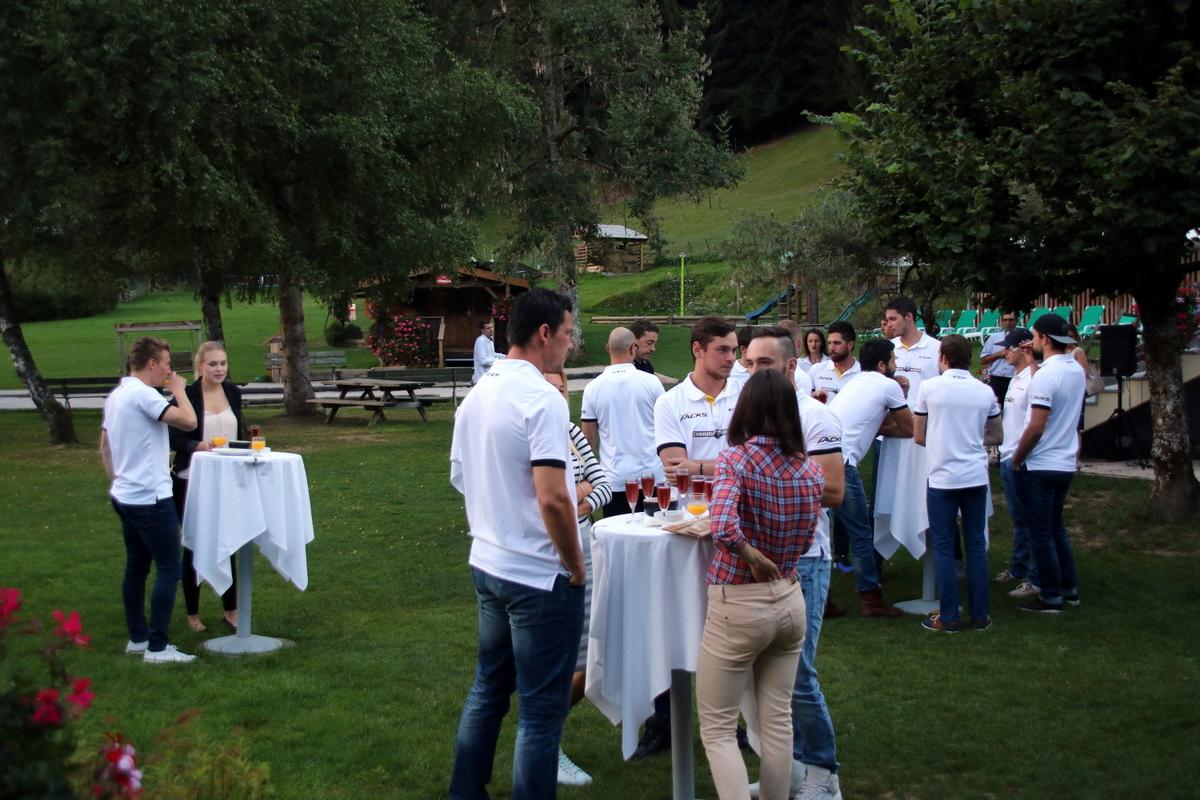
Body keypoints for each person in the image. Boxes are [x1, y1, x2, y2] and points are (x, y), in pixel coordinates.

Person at [449, 288, 585, 800]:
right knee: (541, 710)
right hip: (537, 574)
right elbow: (554, 499)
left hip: (488, 561)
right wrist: (575, 567)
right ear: (544, 333)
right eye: (568, 333)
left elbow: (463, 477)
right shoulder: (541, 399)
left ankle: (465, 791)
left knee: (488, 688)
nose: (571, 345)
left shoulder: (478, 394)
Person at [697, 369, 827, 800]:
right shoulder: (809, 471)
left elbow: (723, 528)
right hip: (790, 601)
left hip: (739, 602)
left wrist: (753, 557)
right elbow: (808, 535)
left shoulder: (736, 459)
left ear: (746, 409)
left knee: (716, 727)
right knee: (777, 721)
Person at [741, 329, 847, 800]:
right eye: (748, 364)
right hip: (757, 561)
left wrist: (777, 483)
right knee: (763, 677)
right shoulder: (749, 416)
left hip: (804, 560)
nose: (752, 372)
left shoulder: (817, 417)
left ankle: (824, 772)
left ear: (790, 367)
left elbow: (836, 491)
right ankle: (788, 771)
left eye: (763, 364)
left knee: (799, 675)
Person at [639, 315, 740, 758]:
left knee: (734, 628)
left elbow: (757, 459)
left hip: (737, 524)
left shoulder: (746, 394)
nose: (731, 359)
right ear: (698, 349)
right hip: (687, 526)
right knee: (671, 623)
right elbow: (674, 467)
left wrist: (702, 466)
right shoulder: (671, 402)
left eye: (735, 351)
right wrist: (730, 465)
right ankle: (664, 721)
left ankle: (734, 723)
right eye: (723, 350)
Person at [100, 336, 198, 664]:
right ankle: (158, 647)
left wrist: (117, 479)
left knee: (136, 567)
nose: (169, 371)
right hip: (150, 498)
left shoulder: (117, 396)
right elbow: (189, 422)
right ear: (152, 363)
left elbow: (104, 446)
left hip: (125, 495)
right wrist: (181, 390)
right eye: (167, 365)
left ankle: (137, 638)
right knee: (169, 569)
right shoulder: (143, 395)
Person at [544, 370, 611, 787]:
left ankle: (544, 737)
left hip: (584, 548)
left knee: (589, 661)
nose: (557, 394)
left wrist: (580, 498)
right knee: (552, 659)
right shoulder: (532, 432)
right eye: (549, 388)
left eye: (562, 388)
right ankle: (546, 746)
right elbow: (543, 499)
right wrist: (575, 494)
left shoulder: (571, 432)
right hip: (544, 558)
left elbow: (602, 483)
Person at [912, 335, 1003, 633]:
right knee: (976, 545)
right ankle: (980, 616)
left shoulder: (929, 388)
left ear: (943, 357)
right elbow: (997, 436)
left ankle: (949, 617)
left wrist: (942, 440)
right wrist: (973, 440)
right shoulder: (984, 391)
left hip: (942, 476)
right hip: (975, 475)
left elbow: (919, 435)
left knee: (944, 545)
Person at [828, 339, 913, 618]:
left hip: (820, 458)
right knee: (862, 533)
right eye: (892, 360)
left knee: (819, 532)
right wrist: (904, 393)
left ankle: (820, 596)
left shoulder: (855, 383)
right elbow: (910, 429)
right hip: (843, 464)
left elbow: (881, 425)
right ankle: (870, 599)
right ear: (881, 365)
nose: (896, 366)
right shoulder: (887, 385)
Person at [1010, 314, 1085, 614]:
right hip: (1064, 461)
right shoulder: (1075, 369)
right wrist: (1032, 360)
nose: (1031, 340)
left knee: (1040, 531)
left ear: (1045, 339)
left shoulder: (1046, 375)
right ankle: (1069, 589)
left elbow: (1036, 426)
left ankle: (1050, 595)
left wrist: (1018, 457)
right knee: (1056, 528)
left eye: (1034, 336)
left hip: (1041, 463)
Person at [169, 341, 242, 633]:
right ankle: (192, 613)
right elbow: (173, 438)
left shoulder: (234, 392)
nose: (219, 369)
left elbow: (239, 429)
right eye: (213, 364)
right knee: (193, 545)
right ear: (200, 366)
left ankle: (231, 609)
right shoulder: (187, 395)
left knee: (230, 542)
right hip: (192, 479)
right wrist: (197, 445)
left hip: (228, 479)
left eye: (223, 363)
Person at [873, 296, 943, 570]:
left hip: (925, 437)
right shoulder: (889, 351)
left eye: (893, 319)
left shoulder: (936, 349)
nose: (888, 324)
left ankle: (946, 556)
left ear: (909, 317)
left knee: (930, 497)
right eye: (887, 319)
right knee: (886, 494)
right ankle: (878, 557)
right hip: (891, 435)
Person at [580, 327, 664, 517]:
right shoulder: (652, 382)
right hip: (653, 476)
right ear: (633, 348)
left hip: (614, 480)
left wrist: (589, 479)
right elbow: (666, 427)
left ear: (607, 349)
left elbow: (588, 438)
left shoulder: (592, 388)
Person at [993, 327, 1041, 599]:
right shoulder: (1015, 377)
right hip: (1007, 453)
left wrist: (1032, 358)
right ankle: (1019, 566)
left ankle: (1033, 574)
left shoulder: (1033, 377)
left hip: (1020, 458)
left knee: (1029, 518)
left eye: (1008, 348)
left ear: (1021, 349)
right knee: (1018, 518)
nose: (1003, 353)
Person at [809, 321, 860, 403]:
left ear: (850, 344)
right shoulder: (816, 369)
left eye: (837, 343)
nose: (831, 348)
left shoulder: (862, 373)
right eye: (829, 343)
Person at [979, 311, 1019, 405]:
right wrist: (998, 354)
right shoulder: (994, 338)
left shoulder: (1021, 336)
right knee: (996, 407)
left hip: (1014, 378)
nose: (1008, 323)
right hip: (996, 378)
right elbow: (983, 360)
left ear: (1016, 321)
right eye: (1005, 320)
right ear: (1001, 322)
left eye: (1010, 320)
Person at [472, 319, 503, 384]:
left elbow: (492, 354)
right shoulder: (481, 341)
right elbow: (483, 361)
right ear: (482, 330)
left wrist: (504, 357)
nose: (491, 329)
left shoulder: (490, 340)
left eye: (491, 327)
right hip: (482, 377)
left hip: (489, 377)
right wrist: (498, 361)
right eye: (488, 328)